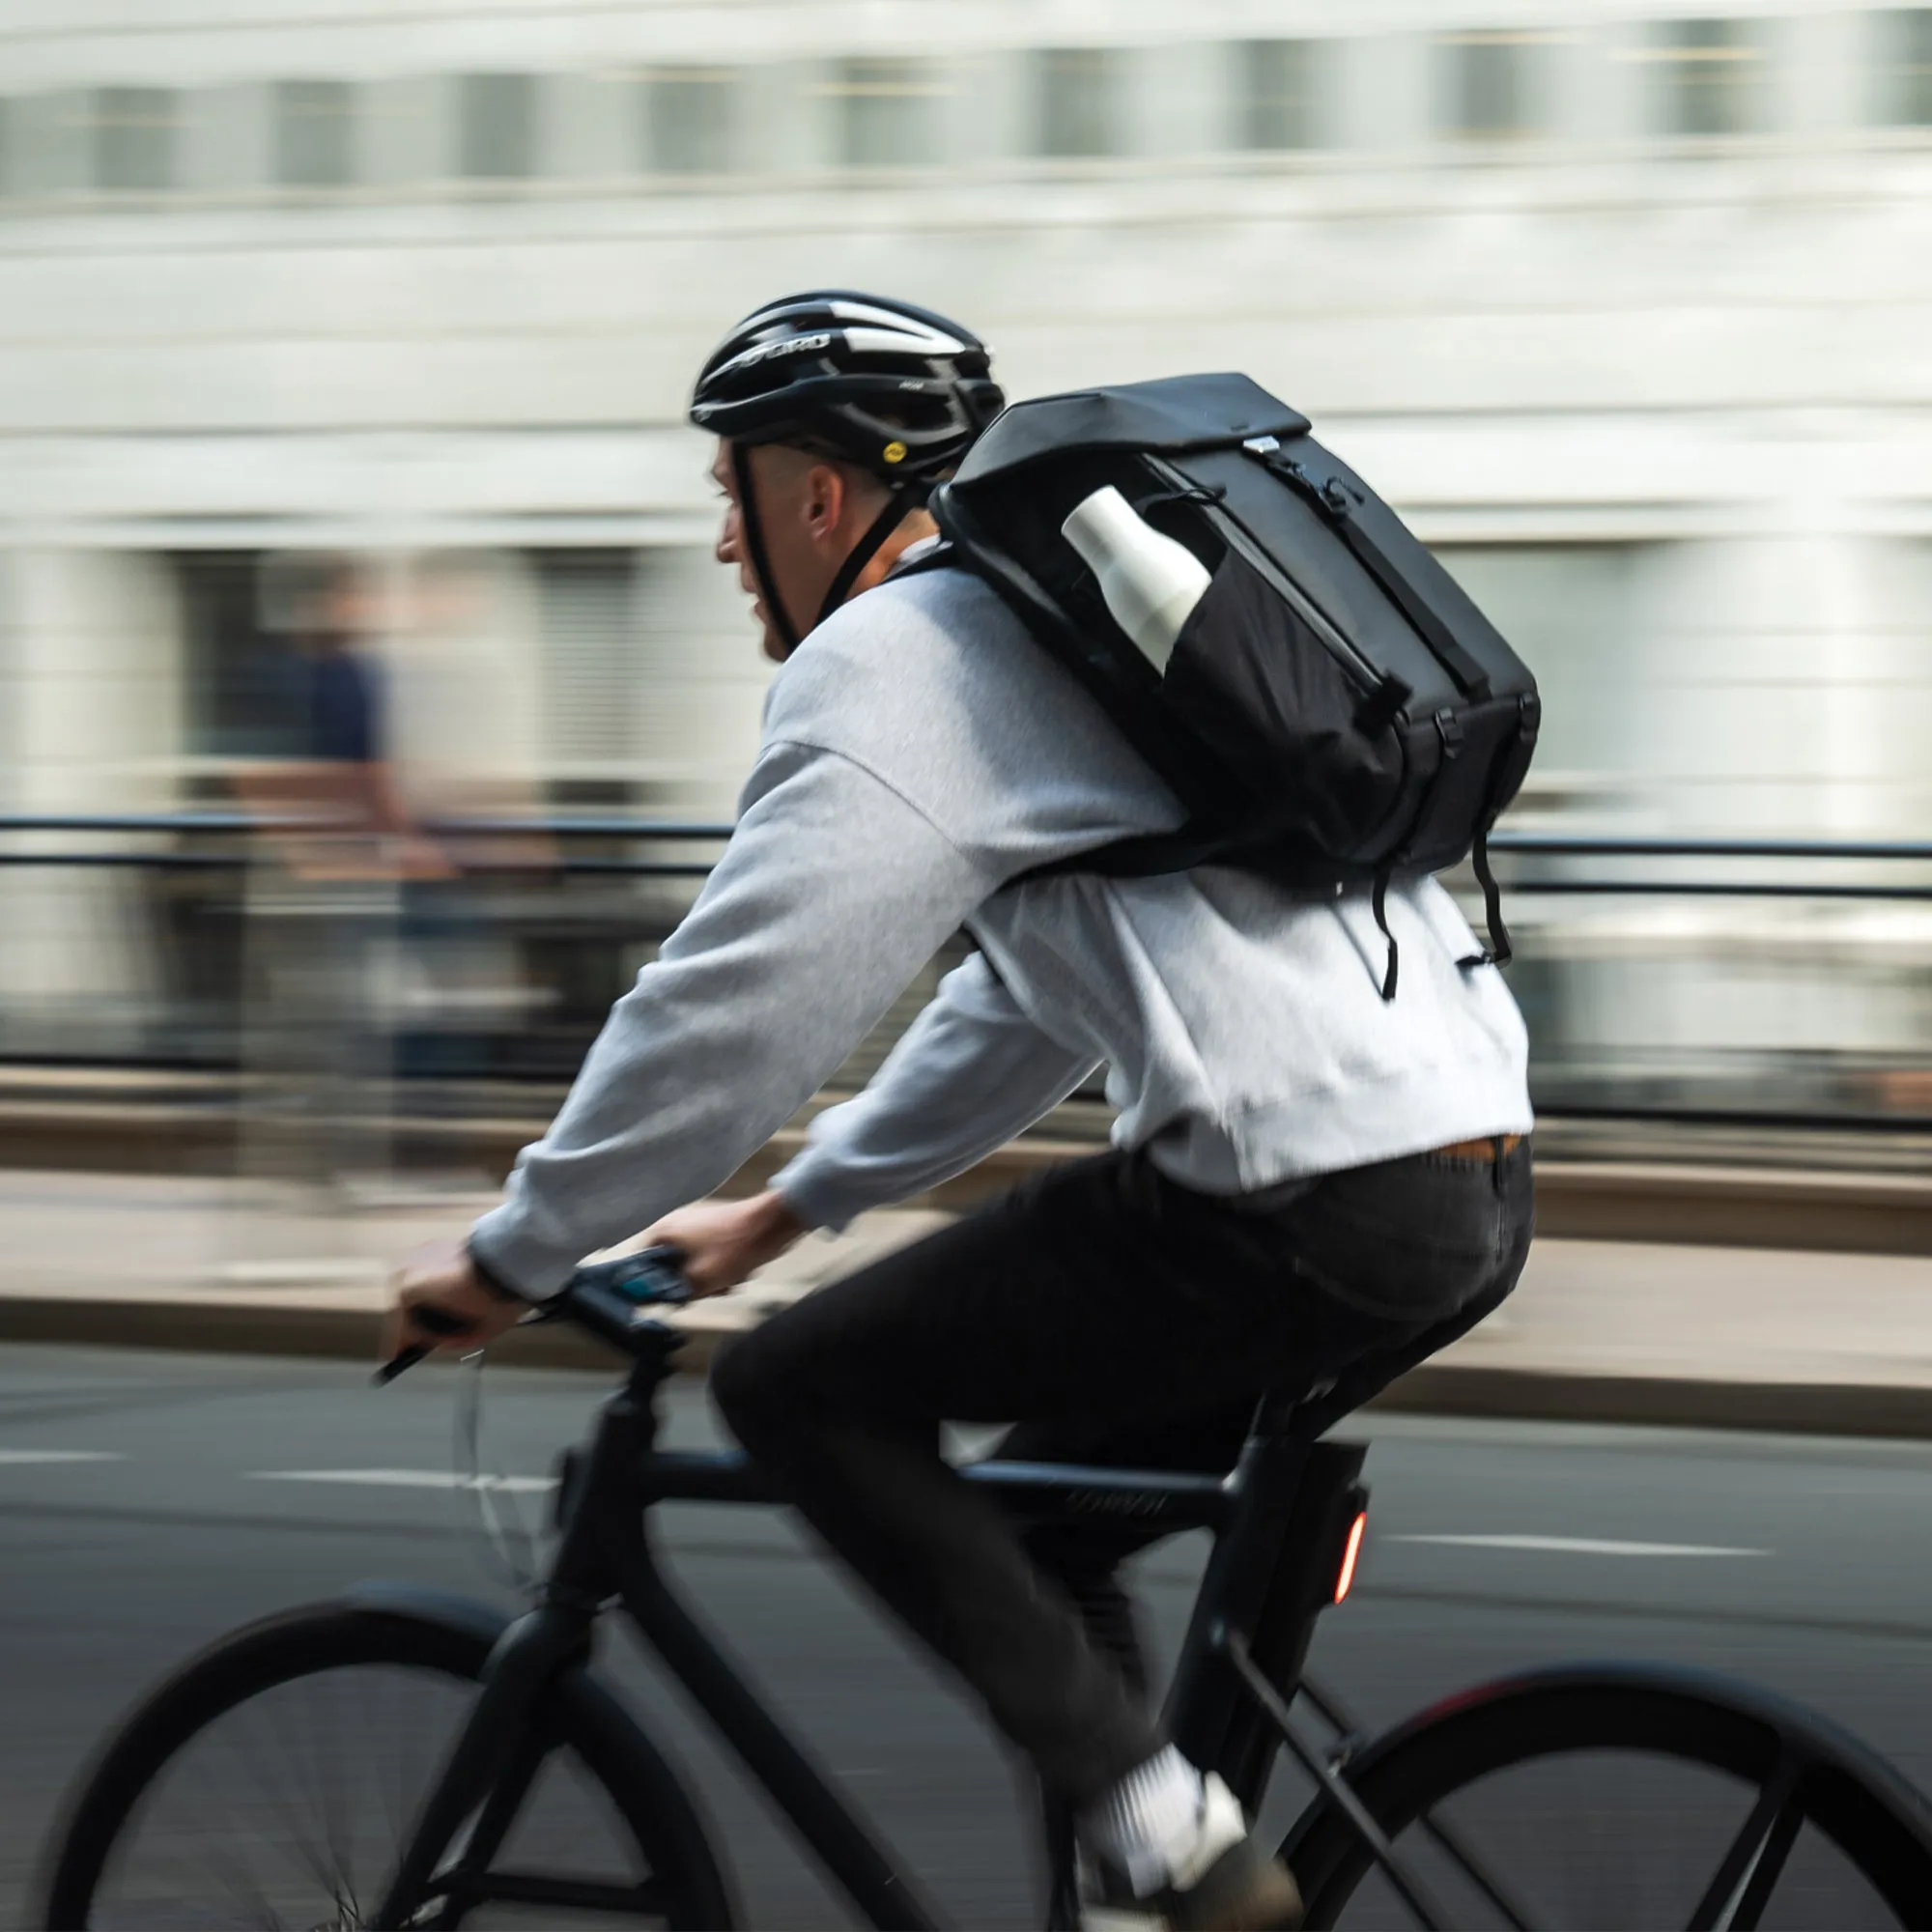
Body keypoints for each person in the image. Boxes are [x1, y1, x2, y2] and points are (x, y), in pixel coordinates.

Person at [387, 291, 1535, 1930]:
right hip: (1463, 1171)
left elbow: (735, 1007)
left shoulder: (904, 654)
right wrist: (785, 1211)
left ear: (818, 496)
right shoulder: (1052, 636)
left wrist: (513, 1253)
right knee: (1051, 1540)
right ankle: (1166, 1865)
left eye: (731, 493)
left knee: (806, 1390)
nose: (725, 546)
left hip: (1303, 1191)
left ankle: (1162, 1839)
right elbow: (1021, 1004)